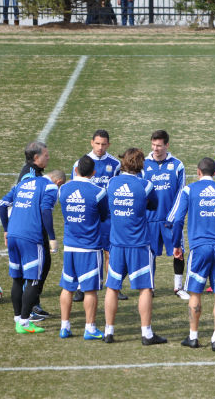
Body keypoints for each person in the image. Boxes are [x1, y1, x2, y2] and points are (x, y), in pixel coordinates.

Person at [167, 157, 215, 351]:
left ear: (198, 172)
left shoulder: (189, 190)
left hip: (199, 248)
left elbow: (178, 220)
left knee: (195, 293)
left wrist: (176, 245)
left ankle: (193, 337)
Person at [104, 148, 166, 345]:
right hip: (139, 244)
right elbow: (154, 205)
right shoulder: (145, 185)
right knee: (145, 288)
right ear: (141, 165)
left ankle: (109, 331)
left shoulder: (112, 183)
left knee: (112, 287)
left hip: (116, 243)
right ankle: (146, 333)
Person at [0, 167, 62, 334]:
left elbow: (2, 204)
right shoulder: (50, 187)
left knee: (17, 279)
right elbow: (45, 210)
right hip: (32, 238)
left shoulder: (24, 183)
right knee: (33, 279)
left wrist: (6, 229)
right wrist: (52, 237)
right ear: (59, 182)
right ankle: (25, 323)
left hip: (13, 234)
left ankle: (18, 318)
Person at [56, 155, 108, 340]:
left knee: (67, 287)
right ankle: (90, 328)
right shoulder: (99, 192)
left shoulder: (63, 189)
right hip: (90, 247)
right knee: (90, 289)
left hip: (70, 245)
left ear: (76, 170)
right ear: (94, 173)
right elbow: (104, 216)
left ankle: (64, 326)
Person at [71, 130, 126, 303]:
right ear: (91, 143)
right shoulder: (80, 163)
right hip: (88, 217)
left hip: (108, 217)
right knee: (86, 252)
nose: (100, 147)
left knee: (111, 252)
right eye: (97, 144)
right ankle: (81, 287)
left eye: (103, 144)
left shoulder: (115, 164)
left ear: (108, 144)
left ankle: (113, 286)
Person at [143, 130, 189, 299]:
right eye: (153, 145)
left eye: (159, 145)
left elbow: (181, 192)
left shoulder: (177, 165)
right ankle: (150, 287)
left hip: (171, 219)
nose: (156, 148)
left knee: (179, 252)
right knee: (150, 253)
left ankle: (178, 287)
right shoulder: (143, 164)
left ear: (167, 145)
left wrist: (173, 216)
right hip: (150, 219)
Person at [17, 142, 54, 321]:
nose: (48, 157)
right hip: (31, 230)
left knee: (44, 264)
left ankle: (33, 303)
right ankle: (27, 310)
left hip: (33, 228)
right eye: (45, 155)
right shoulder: (30, 176)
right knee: (33, 271)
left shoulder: (35, 173)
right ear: (36, 157)